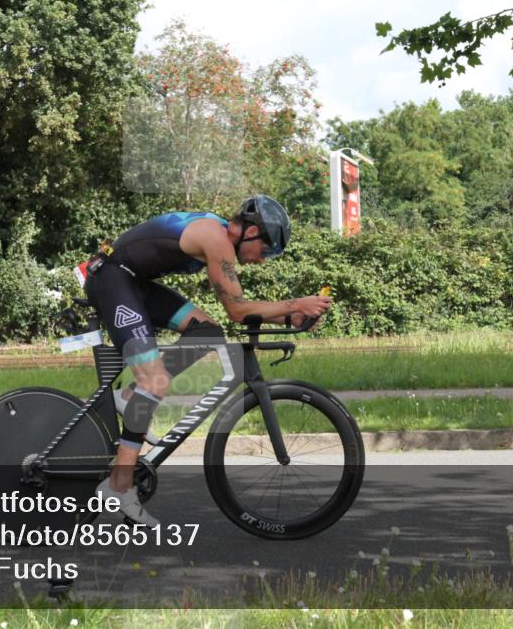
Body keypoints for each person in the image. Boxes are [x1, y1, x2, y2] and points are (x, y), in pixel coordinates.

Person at [82, 195, 333, 525]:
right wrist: (295, 303)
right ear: (252, 232)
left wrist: (289, 319)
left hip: (132, 282)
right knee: (154, 381)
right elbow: (238, 310)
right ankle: (119, 483)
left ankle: (129, 399)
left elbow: (237, 311)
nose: (263, 260)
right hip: (113, 280)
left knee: (207, 333)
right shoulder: (217, 240)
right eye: (268, 250)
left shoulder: (218, 234)